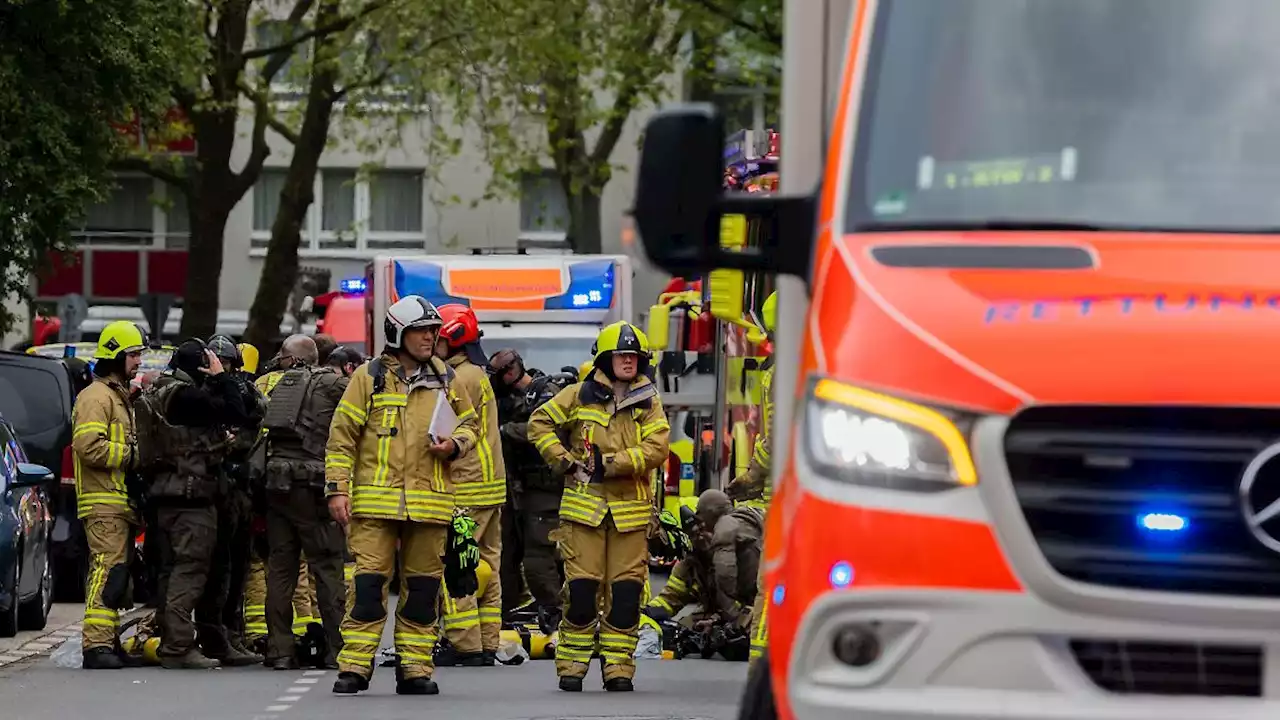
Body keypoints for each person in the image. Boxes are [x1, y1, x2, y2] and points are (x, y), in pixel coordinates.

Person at [326, 295, 482, 696]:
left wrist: (455, 445)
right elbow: (342, 438)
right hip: (376, 505)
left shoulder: (447, 377)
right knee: (367, 589)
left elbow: (470, 426)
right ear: (399, 334)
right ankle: (356, 668)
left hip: (430, 505)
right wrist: (337, 491)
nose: (431, 337)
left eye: (433, 331)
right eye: (422, 331)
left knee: (423, 592)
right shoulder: (369, 377)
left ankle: (414, 669)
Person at [527, 321, 670, 693]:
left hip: (631, 517)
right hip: (583, 514)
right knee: (582, 593)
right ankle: (572, 666)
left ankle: (618, 669)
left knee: (625, 597)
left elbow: (658, 449)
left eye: (634, 356)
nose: (628, 361)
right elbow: (539, 424)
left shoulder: (648, 402)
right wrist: (563, 459)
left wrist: (612, 464)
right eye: (621, 355)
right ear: (605, 358)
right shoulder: (577, 395)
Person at [136, 338, 249, 669]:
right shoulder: (186, 396)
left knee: (170, 570)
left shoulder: (159, 390)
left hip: (164, 494)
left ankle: (176, 639)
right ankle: (179, 646)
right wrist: (220, 377)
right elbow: (236, 412)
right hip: (191, 496)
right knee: (191, 570)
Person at [260, 335, 348, 670]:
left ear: (290, 358)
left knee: (281, 570)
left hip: (277, 486)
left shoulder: (275, 385)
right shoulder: (333, 384)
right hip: (313, 488)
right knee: (326, 567)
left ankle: (280, 651)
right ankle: (336, 649)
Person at [433, 304, 506, 666]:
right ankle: (488, 641)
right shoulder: (478, 373)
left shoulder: (456, 378)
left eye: (439, 338)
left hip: (465, 486)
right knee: (488, 567)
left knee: (458, 565)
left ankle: (465, 644)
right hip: (490, 488)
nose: (432, 345)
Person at [73, 321, 145, 669]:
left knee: (117, 573)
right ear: (115, 356)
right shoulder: (95, 398)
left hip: (118, 502)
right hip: (102, 502)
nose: (138, 362)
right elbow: (88, 447)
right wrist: (133, 455)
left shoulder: (117, 396)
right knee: (106, 569)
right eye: (133, 355)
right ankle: (96, 646)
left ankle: (108, 640)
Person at [196, 335, 265, 666]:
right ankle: (215, 635)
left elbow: (254, 420)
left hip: (239, 490)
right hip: (212, 491)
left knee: (237, 568)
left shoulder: (242, 392)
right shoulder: (200, 393)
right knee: (216, 569)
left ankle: (231, 633)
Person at [491, 355, 570, 634]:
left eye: (499, 375)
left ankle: (556, 611)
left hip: (545, 491)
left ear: (512, 371)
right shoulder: (509, 399)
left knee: (539, 557)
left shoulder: (546, 392)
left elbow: (550, 429)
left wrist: (503, 430)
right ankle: (508, 612)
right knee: (507, 555)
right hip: (517, 492)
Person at [726, 290, 777, 666]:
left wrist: (749, 479)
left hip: (788, 500)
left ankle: (763, 667)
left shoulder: (780, 374)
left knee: (772, 585)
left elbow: (774, 439)